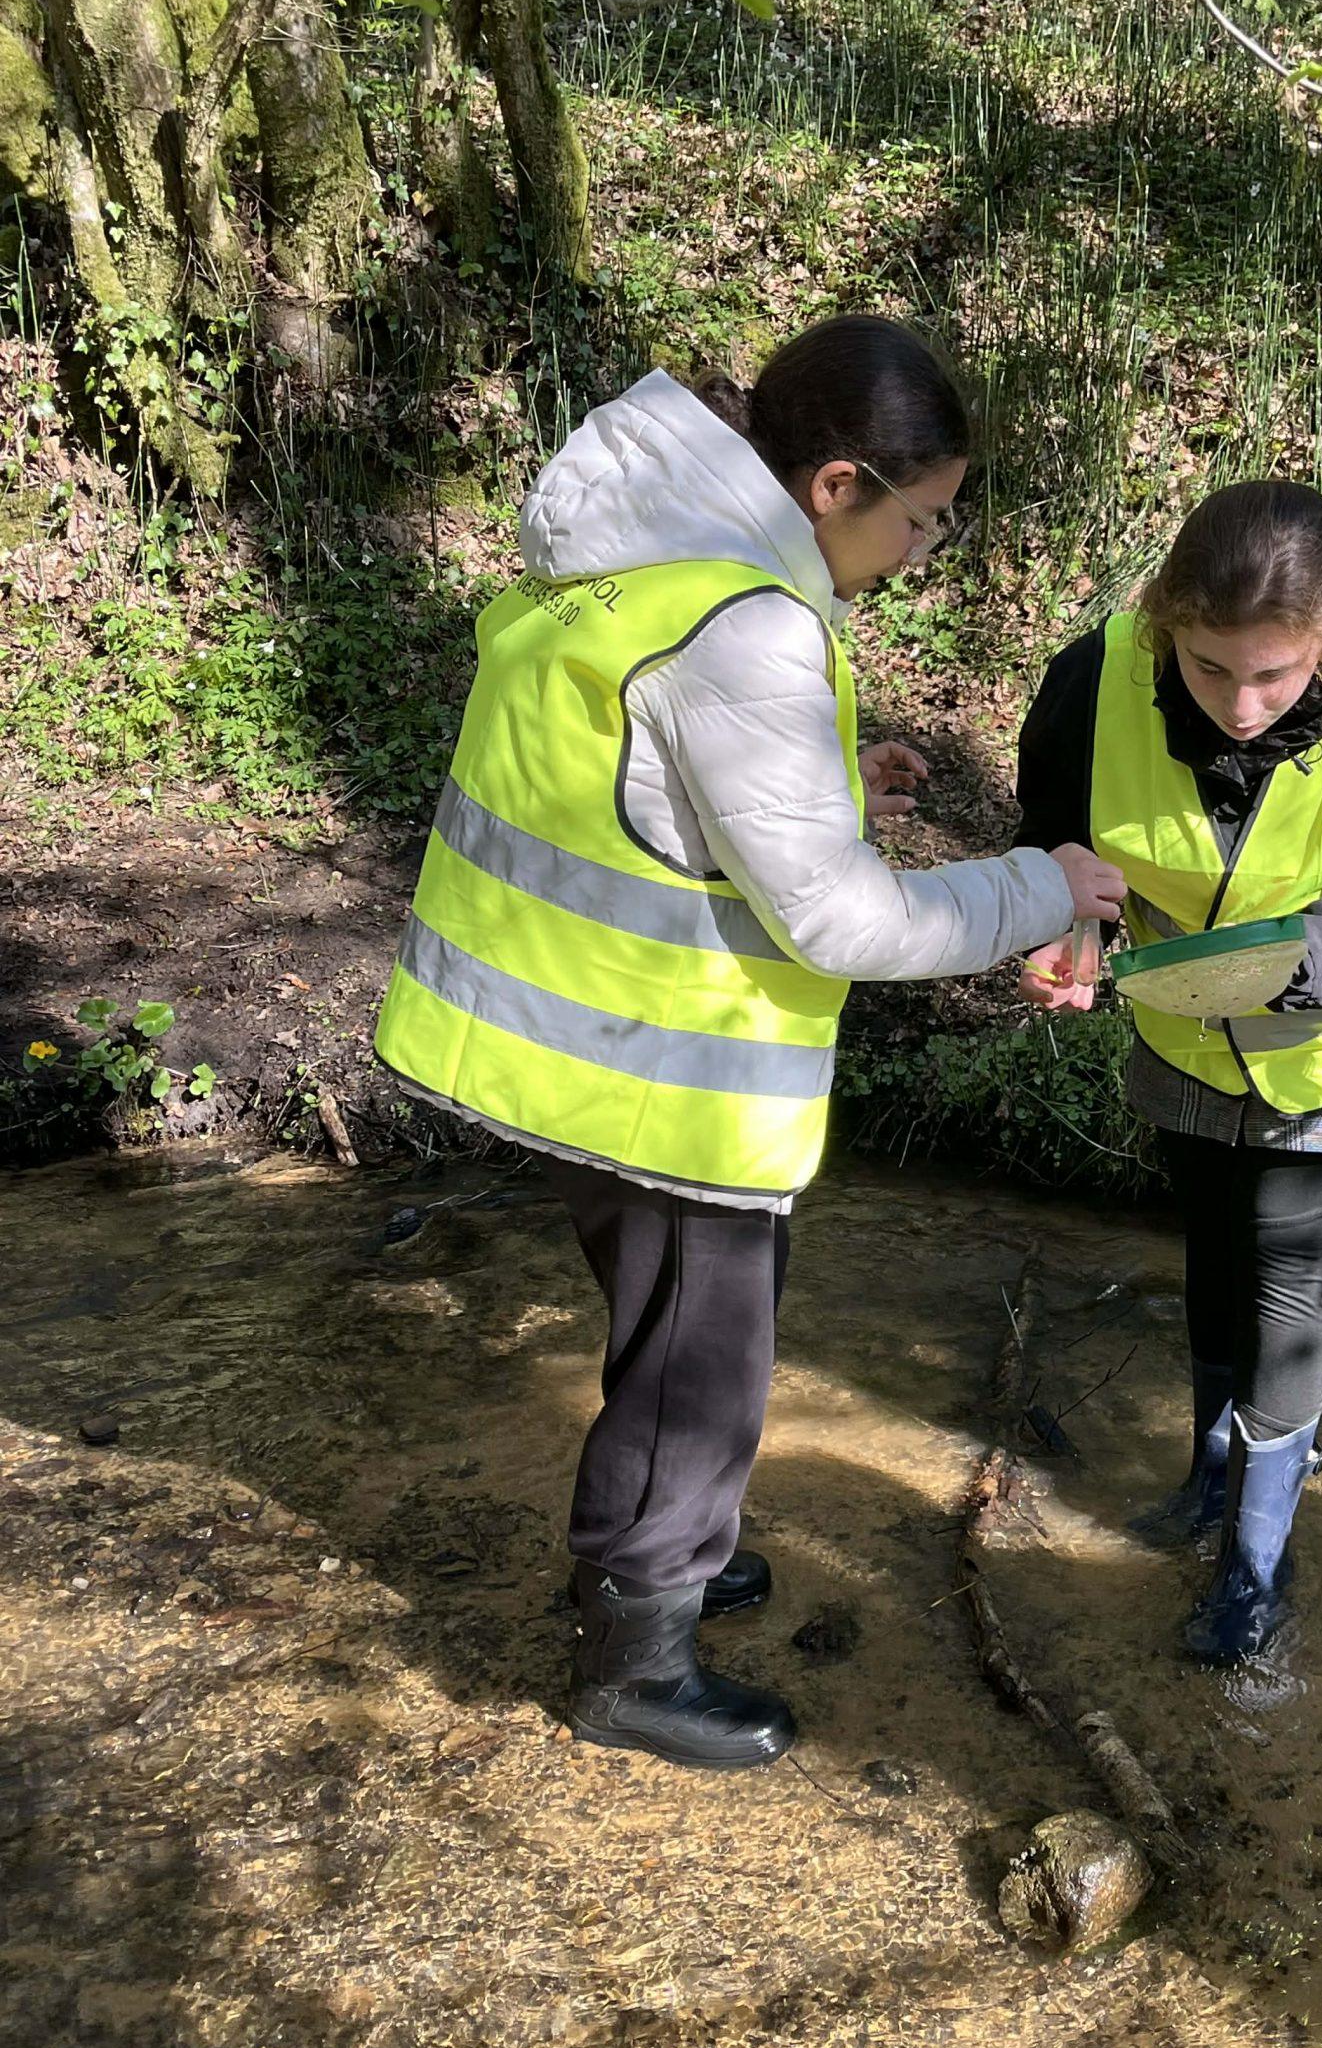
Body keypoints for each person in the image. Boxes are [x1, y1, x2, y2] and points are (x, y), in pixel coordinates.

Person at [376, 315, 1123, 1770]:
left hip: (568, 1034)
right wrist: (1044, 886)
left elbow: (642, 779)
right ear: (837, 485)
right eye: (922, 520)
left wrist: (828, 783)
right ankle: (634, 1657)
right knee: (698, 1368)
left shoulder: (646, 556)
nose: (921, 552)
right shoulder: (752, 625)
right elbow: (840, 922)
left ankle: (660, 1555)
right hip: (671, 1072)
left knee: (668, 1330)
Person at [1013, 479, 1322, 1665]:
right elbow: (1051, 836)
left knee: (1285, 1278)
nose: (1240, 706)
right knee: (1211, 1248)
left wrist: (1282, 964)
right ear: (1165, 623)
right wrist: (1063, 927)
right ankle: (1208, 1481)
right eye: (1208, 668)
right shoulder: (1095, 678)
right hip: (1180, 1027)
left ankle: (1254, 1565)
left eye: (1275, 676)